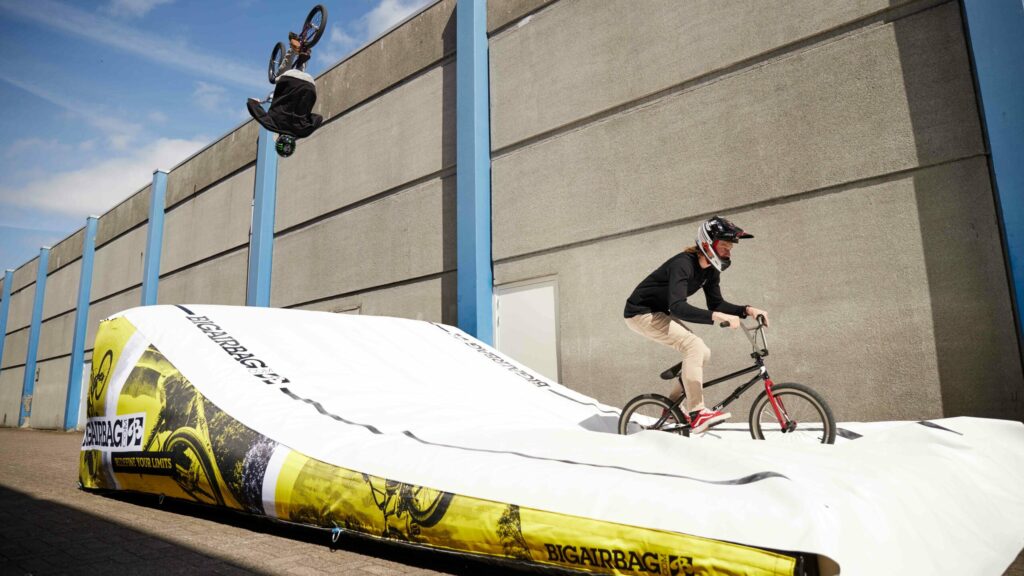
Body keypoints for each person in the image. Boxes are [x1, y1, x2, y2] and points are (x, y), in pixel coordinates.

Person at [623, 216, 769, 434]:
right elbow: (678, 307)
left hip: (658, 312)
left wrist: (747, 310)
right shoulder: (683, 264)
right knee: (694, 347)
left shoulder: (710, 270)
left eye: (731, 247)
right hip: (640, 313)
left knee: (703, 353)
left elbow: (716, 303)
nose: (728, 252)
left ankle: (670, 408)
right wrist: (716, 317)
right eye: (724, 246)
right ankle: (697, 413)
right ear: (708, 243)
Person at [246, 32, 323, 158]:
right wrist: (255, 102)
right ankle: (293, 50)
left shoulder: (304, 132)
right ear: (278, 140)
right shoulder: (272, 125)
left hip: (309, 85)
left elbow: (318, 118)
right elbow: (252, 106)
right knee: (280, 77)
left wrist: (305, 115)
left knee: (299, 86)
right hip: (289, 81)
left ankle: (303, 56)